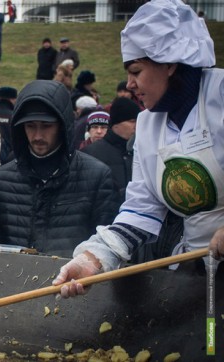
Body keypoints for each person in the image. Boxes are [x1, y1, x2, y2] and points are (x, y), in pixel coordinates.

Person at [52, 0, 224, 297]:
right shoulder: (147, 125)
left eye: (136, 71)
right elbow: (141, 210)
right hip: (199, 269)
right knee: (207, 343)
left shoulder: (219, 96)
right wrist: (94, 258)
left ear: (170, 62)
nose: (129, 85)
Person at [0, 80, 120, 257]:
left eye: (46, 126)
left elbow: (107, 247)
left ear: (63, 125)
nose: (37, 136)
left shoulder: (97, 176)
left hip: (75, 281)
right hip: (16, 279)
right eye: (30, 126)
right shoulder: (1, 180)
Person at [81, 97, 140, 201]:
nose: (136, 126)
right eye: (132, 121)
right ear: (116, 124)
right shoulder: (90, 154)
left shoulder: (141, 151)